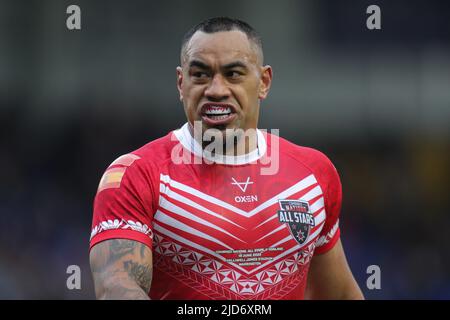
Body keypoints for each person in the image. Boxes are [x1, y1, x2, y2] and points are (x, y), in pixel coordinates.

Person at [89, 17, 364, 300]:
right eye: (200, 75)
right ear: (181, 83)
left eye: (233, 74)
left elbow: (339, 293)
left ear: (264, 82)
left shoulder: (313, 174)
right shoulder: (135, 175)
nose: (216, 90)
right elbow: (116, 288)